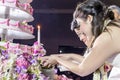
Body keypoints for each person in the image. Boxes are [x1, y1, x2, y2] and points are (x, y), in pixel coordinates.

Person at [41, 0, 120, 79]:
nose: (81, 38)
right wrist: (63, 57)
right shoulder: (110, 29)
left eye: (79, 25)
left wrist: (57, 59)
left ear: (89, 19)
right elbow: (88, 60)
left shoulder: (107, 36)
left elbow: (82, 70)